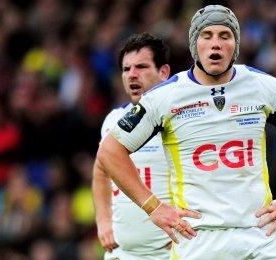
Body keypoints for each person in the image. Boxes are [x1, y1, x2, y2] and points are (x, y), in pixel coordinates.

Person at [96, 5, 276, 259]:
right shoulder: (165, 97)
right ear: (195, 45)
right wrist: (154, 208)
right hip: (198, 241)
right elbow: (109, 151)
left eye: (224, 36)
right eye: (207, 36)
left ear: (235, 46)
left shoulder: (263, 87)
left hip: (258, 237)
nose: (215, 43)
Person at [93, 33, 200, 259]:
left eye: (141, 67)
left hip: (171, 252)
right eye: (126, 69)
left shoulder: (183, 120)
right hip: (122, 253)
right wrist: (103, 221)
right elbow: (101, 171)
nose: (132, 74)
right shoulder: (113, 121)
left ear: (164, 72)